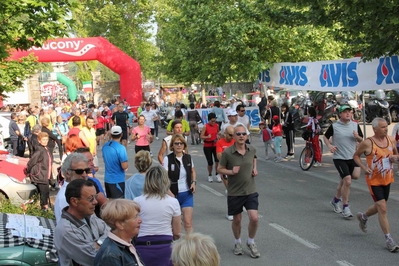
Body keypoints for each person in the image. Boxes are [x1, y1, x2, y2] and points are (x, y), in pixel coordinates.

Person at [353, 117, 399, 252]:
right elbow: (356, 156)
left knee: (380, 205)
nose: (386, 129)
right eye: (383, 127)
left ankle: (363, 216)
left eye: (386, 126)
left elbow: (396, 155)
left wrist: (395, 158)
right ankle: (389, 239)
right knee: (383, 208)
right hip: (373, 180)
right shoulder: (368, 143)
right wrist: (363, 167)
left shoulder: (391, 139)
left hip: (387, 178)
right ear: (375, 129)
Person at [217, 124, 260, 258]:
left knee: (254, 218)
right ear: (234, 136)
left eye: (243, 134)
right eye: (238, 134)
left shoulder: (251, 149)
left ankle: (251, 242)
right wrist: (231, 171)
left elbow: (254, 158)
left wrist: (254, 168)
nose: (241, 136)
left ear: (247, 136)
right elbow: (220, 168)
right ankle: (237, 242)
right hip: (235, 192)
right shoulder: (228, 153)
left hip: (250, 190)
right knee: (237, 220)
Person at [55, 179, 110, 266]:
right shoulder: (66, 230)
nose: (95, 202)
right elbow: (95, 258)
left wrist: (99, 243)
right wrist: (106, 241)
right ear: (74, 201)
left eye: (95, 197)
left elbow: (110, 231)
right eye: (90, 198)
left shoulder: (89, 215)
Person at [134, 166, 181, 266]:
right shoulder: (173, 202)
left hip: (143, 246)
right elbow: (177, 232)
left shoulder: (137, 201)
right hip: (166, 247)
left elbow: (133, 228)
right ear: (165, 181)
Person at [324, 105, 363, 218]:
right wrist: (329, 145)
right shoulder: (335, 126)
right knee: (348, 181)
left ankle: (335, 200)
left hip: (352, 157)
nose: (348, 114)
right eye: (345, 112)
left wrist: (357, 137)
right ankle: (345, 207)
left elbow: (362, 139)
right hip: (339, 157)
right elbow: (325, 137)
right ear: (340, 114)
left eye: (349, 112)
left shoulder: (355, 125)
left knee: (354, 176)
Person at [94, 199, 145, 266]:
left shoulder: (128, 243)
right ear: (120, 224)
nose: (140, 220)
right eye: (135, 217)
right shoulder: (111, 255)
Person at [163, 134, 196, 233]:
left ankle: (190, 246)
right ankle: (175, 246)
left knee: (188, 222)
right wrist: (169, 193)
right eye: (176, 143)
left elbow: (193, 171)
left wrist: (193, 182)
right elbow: (164, 179)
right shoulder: (167, 159)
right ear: (172, 145)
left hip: (187, 194)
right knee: (174, 227)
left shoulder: (188, 158)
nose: (179, 145)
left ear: (184, 145)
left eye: (181, 143)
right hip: (173, 195)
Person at [54, 153, 90, 223]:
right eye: (79, 171)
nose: (85, 175)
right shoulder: (65, 196)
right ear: (67, 173)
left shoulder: (76, 190)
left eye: (87, 170)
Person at [25, 132, 52, 211]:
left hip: (45, 175)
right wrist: (28, 172)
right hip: (40, 176)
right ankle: (43, 211)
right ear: (39, 141)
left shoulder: (46, 149)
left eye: (46, 139)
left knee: (42, 194)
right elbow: (31, 162)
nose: (45, 141)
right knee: (44, 195)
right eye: (43, 140)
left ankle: (36, 209)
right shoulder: (39, 150)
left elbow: (49, 164)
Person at [102, 125, 129, 198]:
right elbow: (124, 166)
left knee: (111, 203)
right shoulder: (121, 148)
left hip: (107, 180)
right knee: (119, 205)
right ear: (121, 134)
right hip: (117, 180)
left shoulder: (105, 146)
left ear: (111, 135)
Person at [216, 125, 235, 221]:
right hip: (225, 169)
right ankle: (230, 212)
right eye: (230, 135)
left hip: (236, 169)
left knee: (235, 190)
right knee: (231, 190)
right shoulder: (220, 143)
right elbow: (219, 157)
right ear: (225, 133)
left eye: (233, 135)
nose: (232, 137)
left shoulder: (235, 142)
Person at [200, 112, 221, 183]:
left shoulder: (216, 125)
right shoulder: (205, 126)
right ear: (208, 120)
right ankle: (210, 175)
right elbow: (201, 136)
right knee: (210, 162)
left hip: (215, 145)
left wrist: (218, 136)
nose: (213, 122)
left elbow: (218, 133)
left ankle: (217, 174)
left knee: (217, 160)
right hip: (207, 146)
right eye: (212, 121)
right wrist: (207, 137)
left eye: (214, 121)